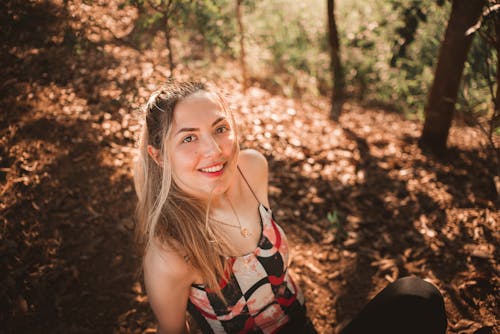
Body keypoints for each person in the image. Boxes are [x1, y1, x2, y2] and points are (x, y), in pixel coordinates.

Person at [133, 80, 447, 334]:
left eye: (220, 129)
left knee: (417, 297)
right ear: (159, 156)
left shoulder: (251, 168)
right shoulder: (170, 251)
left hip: (301, 324)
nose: (214, 150)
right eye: (188, 138)